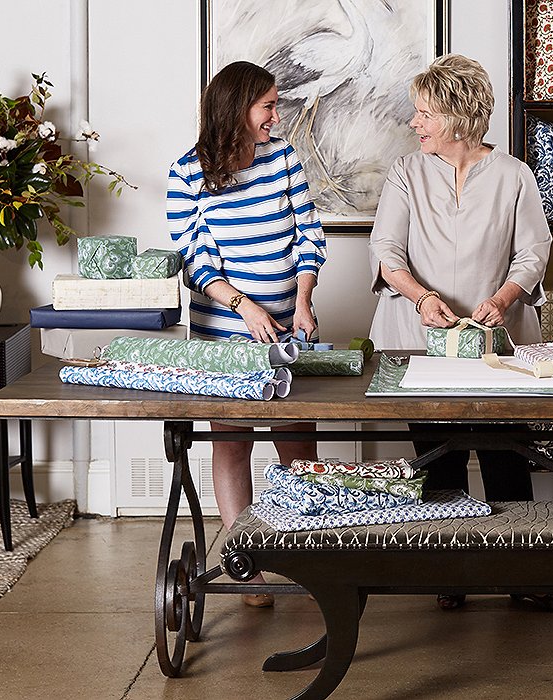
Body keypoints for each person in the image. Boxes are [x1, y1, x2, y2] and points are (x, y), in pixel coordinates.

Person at [368, 54, 553, 612]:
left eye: (424, 113)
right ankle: (447, 569)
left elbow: (534, 251)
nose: (415, 123)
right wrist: (423, 297)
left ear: (456, 117)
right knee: (438, 456)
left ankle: (523, 570)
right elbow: (386, 251)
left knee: (508, 454)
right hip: (417, 337)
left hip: (498, 343)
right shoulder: (406, 173)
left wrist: (504, 299)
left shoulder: (513, 175)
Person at [167, 61, 326, 608]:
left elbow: (309, 232)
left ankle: (300, 558)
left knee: (299, 447)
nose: (276, 116)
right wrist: (245, 309)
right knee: (233, 443)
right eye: (269, 107)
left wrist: (302, 301)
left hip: (289, 328)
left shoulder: (282, 157)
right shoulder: (186, 173)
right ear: (237, 110)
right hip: (224, 330)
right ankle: (246, 568)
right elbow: (197, 261)